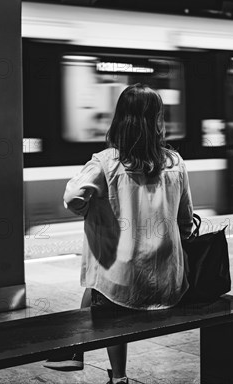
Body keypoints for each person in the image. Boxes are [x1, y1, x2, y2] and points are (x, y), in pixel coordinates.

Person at [43, 84, 193, 384]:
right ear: (157, 120)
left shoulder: (106, 162)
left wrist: (93, 212)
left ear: (120, 118)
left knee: (103, 274)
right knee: (107, 276)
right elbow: (186, 221)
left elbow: (72, 198)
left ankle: (84, 355)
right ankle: (82, 355)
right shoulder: (175, 162)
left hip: (122, 284)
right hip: (168, 282)